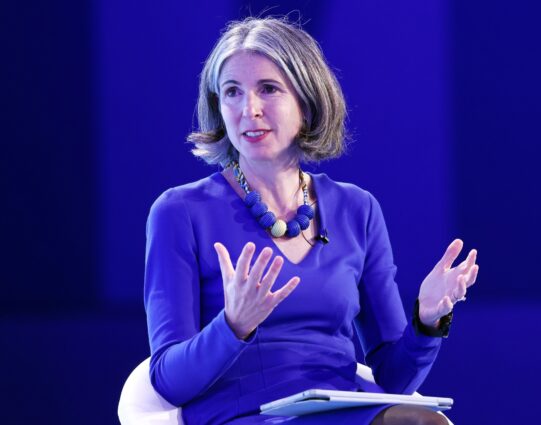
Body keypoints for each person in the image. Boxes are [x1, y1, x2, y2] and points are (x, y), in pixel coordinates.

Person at [144, 17, 479, 425]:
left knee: (424, 421)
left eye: (268, 89)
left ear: (306, 100)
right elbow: (168, 381)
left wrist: (427, 320)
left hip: (342, 410)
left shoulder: (357, 209)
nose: (249, 109)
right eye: (232, 92)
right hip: (245, 415)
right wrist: (233, 326)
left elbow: (395, 378)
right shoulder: (179, 212)